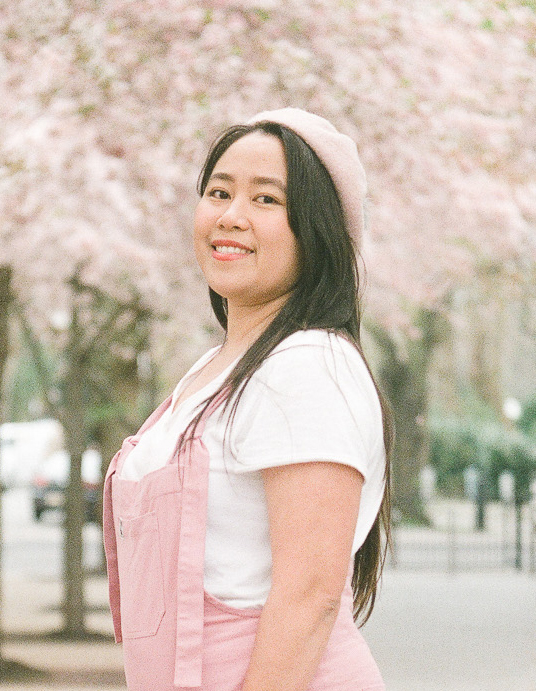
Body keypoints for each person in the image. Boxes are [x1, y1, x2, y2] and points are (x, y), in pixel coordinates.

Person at [103, 107, 393, 691]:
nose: (231, 217)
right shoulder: (215, 369)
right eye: (218, 192)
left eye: (266, 200)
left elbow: (308, 596)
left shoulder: (309, 367)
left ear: (317, 232)